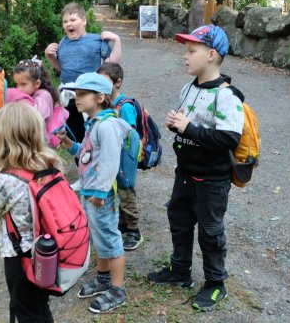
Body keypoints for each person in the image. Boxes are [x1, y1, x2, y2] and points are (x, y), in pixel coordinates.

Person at [147, 25, 245, 312]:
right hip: (185, 173)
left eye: (192, 51)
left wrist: (189, 126)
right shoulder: (188, 88)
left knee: (210, 231)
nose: (185, 57)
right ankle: (180, 272)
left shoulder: (227, 96)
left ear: (212, 55)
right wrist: (176, 123)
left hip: (212, 181)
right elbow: (187, 126)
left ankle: (216, 283)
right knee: (179, 220)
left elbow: (228, 138)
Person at [0, 103, 61, 322]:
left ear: (3, 140)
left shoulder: (9, 180)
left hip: (21, 259)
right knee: (39, 308)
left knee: (26, 313)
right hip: (45, 253)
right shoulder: (47, 165)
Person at [56, 72, 130, 314]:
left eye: (83, 94)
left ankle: (118, 289)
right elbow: (87, 155)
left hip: (102, 195)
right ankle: (103, 277)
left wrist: (100, 192)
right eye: (76, 94)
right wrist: (69, 143)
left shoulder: (107, 126)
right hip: (91, 191)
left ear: (100, 97)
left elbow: (109, 163)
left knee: (109, 238)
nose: (77, 99)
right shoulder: (93, 123)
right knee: (98, 236)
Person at [45, 2, 122, 144]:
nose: (69, 24)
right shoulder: (63, 42)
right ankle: (81, 161)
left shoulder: (97, 41)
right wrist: (50, 56)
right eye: (65, 21)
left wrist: (116, 41)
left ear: (84, 21)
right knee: (76, 133)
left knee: (94, 130)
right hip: (69, 97)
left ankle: (97, 157)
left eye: (73, 20)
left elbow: (112, 64)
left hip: (91, 95)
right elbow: (62, 67)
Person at [97, 63, 143, 251]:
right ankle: (123, 225)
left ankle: (134, 231)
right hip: (113, 156)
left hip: (125, 157)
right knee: (118, 190)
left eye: (104, 81)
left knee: (126, 191)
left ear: (118, 83)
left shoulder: (125, 106)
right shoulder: (109, 104)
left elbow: (130, 133)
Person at [12, 57, 61, 146]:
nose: (18, 89)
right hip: (28, 143)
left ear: (37, 83)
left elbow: (34, 117)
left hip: (40, 145)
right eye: (16, 84)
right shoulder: (28, 94)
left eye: (23, 84)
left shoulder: (44, 95)